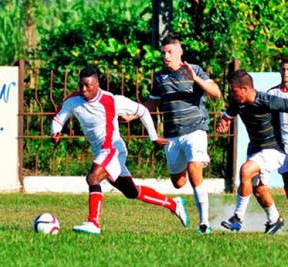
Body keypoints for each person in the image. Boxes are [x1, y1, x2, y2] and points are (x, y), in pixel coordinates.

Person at [51, 66, 189, 235]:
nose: (83, 89)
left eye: (88, 85)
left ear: (97, 84)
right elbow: (59, 118)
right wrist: (55, 131)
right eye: (81, 85)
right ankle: (174, 204)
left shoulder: (111, 100)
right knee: (131, 191)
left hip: (113, 149)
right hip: (100, 152)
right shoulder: (73, 100)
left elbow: (143, 111)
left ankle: (93, 222)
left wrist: (153, 137)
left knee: (93, 178)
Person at [145, 36, 221, 234]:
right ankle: (194, 164)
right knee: (178, 183)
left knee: (194, 170)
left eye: (170, 52)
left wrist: (195, 79)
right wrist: (131, 113)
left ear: (180, 53)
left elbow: (216, 93)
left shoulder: (194, 69)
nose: (166, 56)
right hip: (172, 135)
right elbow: (151, 104)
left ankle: (204, 223)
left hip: (195, 129)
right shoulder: (160, 77)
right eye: (164, 52)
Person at [217, 69, 286, 234]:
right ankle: (274, 219)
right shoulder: (237, 102)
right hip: (255, 149)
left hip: (274, 150)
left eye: (235, 92)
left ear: (246, 89)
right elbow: (229, 114)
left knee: (245, 170)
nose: (233, 95)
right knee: (258, 189)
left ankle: (237, 218)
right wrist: (224, 122)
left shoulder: (266, 100)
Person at [267, 57, 288, 198]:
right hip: (281, 143)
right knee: (287, 181)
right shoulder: (272, 94)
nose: (285, 72)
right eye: (283, 69)